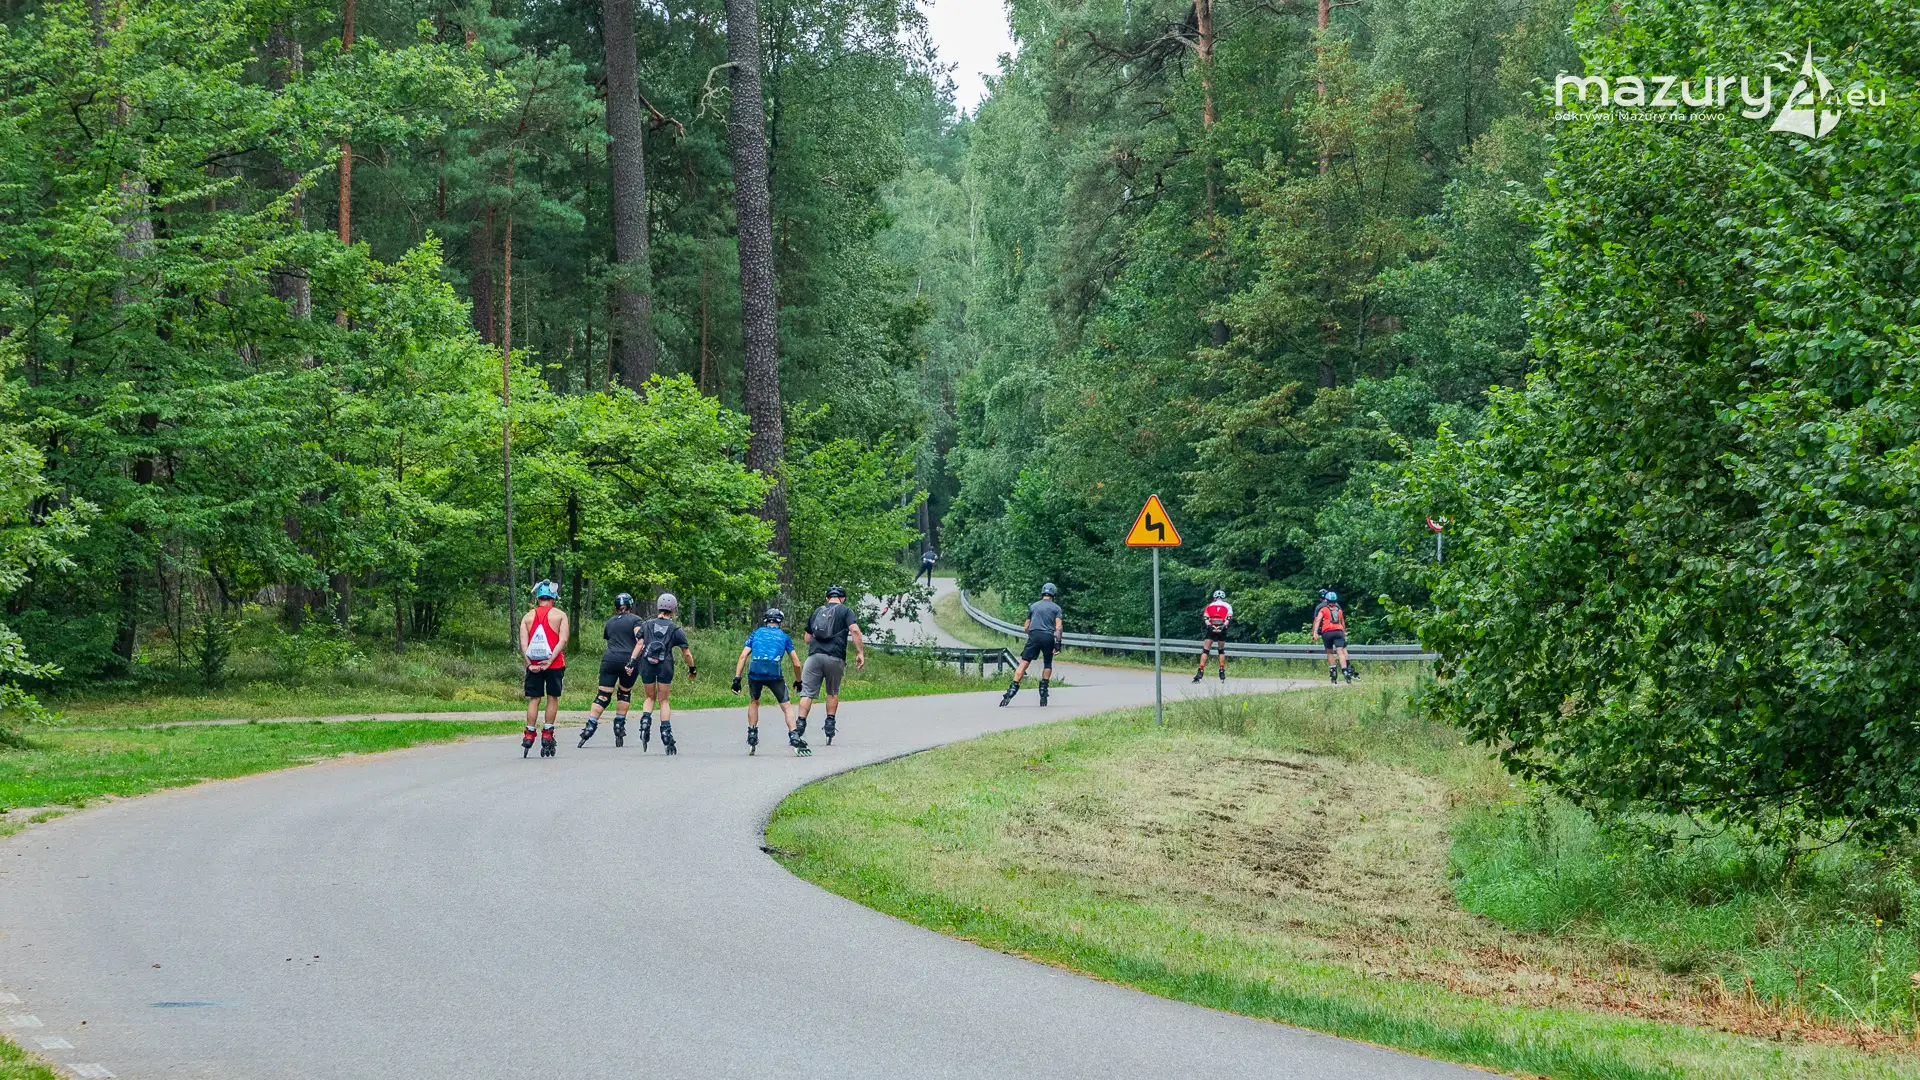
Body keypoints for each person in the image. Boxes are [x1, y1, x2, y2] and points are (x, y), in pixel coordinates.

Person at [732, 608, 809, 756]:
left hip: (755, 671)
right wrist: (798, 681)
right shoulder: (784, 637)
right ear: (780, 622)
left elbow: (743, 656)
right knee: (786, 705)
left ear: (765, 621)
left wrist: (737, 679)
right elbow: (797, 663)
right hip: (774, 672)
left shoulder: (756, 634)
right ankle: (794, 735)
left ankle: (752, 734)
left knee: (754, 701)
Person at [798, 585, 866, 745]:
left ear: (827, 598)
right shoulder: (846, 611)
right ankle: (829, 725)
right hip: (835, 658)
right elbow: (855, 631)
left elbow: (807, 639)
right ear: (843, 599)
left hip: (814, 657)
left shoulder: (817, 611)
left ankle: (799, 727)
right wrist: (860, 653)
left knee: (807, 693)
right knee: (832, 692)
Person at [633, 593, 696, 754]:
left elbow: (639, 644)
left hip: (647, 664)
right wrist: (692, 668)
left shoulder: (647, 625)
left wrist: (632, 661)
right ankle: (666, 733)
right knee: (663, 700)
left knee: (649, 697)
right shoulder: (676, 630)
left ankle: (645, 722)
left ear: (658, 607)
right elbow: (686, 653)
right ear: (674, 609)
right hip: (665, 666)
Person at [579, 592, 643, 748]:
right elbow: (640, 640)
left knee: (603, 695)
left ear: (616, 607)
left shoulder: (610, 622)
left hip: (609, 660)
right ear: (631, 606)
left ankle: (590, 726)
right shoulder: (636, 620)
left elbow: (611, 640)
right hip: (628, 660)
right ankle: (619, 726)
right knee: (624, 693)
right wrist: (633, 660)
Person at [519, 580, 570, 757]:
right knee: (552, 697)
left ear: (538, 597)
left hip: (534, 664)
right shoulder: (560, 615)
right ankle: (547, 733)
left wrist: (529, 663)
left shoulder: (527, 617)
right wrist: (549, 661)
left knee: (534, 698)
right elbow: (563, 640)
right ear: (554, 597)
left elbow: (523, 644)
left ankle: (529, 733)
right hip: (554, 664)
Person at [1000, 582, 1063, 707]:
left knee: (1024, 663)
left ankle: (1011, 690)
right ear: (1053, 595)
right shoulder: (1056, 608)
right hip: (1048, 637)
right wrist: (1058, 644)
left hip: (1034, 635)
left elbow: (1026, 626)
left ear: (1042, 593)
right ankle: (1043, 692)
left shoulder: (1033, 606)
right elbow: (1059, 627)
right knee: (1047, 663)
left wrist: (1033, 635)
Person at [1313, 590, 1356, 684]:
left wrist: (1315, 633)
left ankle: (1333, 672)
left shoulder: (1323, 609)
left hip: (1327, 632)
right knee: (1340, 652)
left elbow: (1317, 620)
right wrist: (1344, 632)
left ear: (1327, 600)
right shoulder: (1339, 610)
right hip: (1338, 632)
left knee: (1329, 652)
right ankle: (1345, 671)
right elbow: (1342, 622)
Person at [1194, 589, 1233, 683]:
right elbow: (1229, 617)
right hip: (1222, 628)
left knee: (1206, 650)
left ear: (1214, 597)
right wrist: (1222, 626)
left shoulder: (1209, 605)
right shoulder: (1228, 605)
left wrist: (1210, 626)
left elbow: (1206, 617)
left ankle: (1201, 670)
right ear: (1223, 597)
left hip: (1211, 628)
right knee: (1221, 650)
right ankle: (1221, 670)